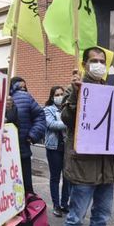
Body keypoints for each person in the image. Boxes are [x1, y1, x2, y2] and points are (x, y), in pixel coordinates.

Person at [58, 47, 114, 226]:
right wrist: (75, 93)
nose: (98, 64)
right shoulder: (72, 88)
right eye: (93, 61)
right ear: (84, 64)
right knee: (76, 217)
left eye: (102, 61)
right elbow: (67, 120)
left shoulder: (111, 92)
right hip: (84, 167)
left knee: (102, 215)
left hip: (107, 168)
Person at [10, 77, 45, 194]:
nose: (23, 90)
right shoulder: (1, 97)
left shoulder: (26, 97)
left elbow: (40, 116)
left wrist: (33, 135)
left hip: (22, 150)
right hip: (4, 151)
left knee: (25, 187)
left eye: (24, 87)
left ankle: (28, 209)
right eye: (20, 87)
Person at [44, 86, 70, 217]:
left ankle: (65, 204)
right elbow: (51, 125)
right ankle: (56, 205)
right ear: (52, 96)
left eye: (61, 94)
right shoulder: (48, 109)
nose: (59, 96)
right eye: (57, 94)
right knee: (55, 177)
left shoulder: (67, 108)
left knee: (68, 178)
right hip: (54, 148)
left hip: (67, 148)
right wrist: (69, 123)